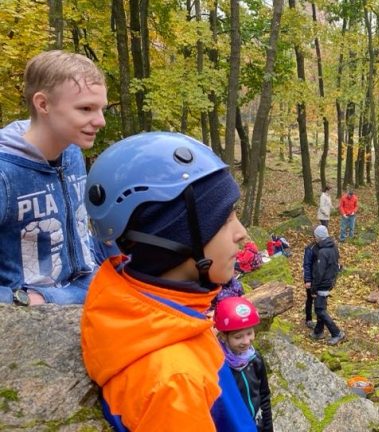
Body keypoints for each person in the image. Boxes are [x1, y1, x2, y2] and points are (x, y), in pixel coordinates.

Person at [81, 132, 257, 430]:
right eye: (225, 218)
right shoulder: (173, 382)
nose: (242, 233)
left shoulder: (150, 312)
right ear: (173, 236)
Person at [0, 50, 111, 306]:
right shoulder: (6, 173)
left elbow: (80, 232)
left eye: (101, 108)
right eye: (86, 109)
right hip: (36, 314)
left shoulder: (71, 152)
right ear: (43, 104)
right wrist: (25, 300)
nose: (100, 121)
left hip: (91, 290)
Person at [214, 297, 273, 432]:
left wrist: (268, 428)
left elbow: (264, 396)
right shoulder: (221, 368)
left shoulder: (255, 358)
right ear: (223, 336)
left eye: (249, 333)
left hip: (257, 424)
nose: (246, 341)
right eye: (238, 337)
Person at [309, 225, 344, 345]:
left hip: (323, 283)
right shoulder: (333, 247)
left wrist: (314, 288)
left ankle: (336, 333)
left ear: (319, 237)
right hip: (329, 281)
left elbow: (319, 272)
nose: (315, 239)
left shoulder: (323, 252)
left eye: (316, 237)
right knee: (320, 307)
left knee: (320, 309)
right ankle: (318, 331)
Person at [302, 236, 317, 329]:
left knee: (319, 300)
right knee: (310, 298)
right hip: (311, 278)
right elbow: (306, 265)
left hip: (319, 277)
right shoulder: (310, 248)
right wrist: (308, 280)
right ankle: (308, 319)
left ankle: (320, 319)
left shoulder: (323, 247)